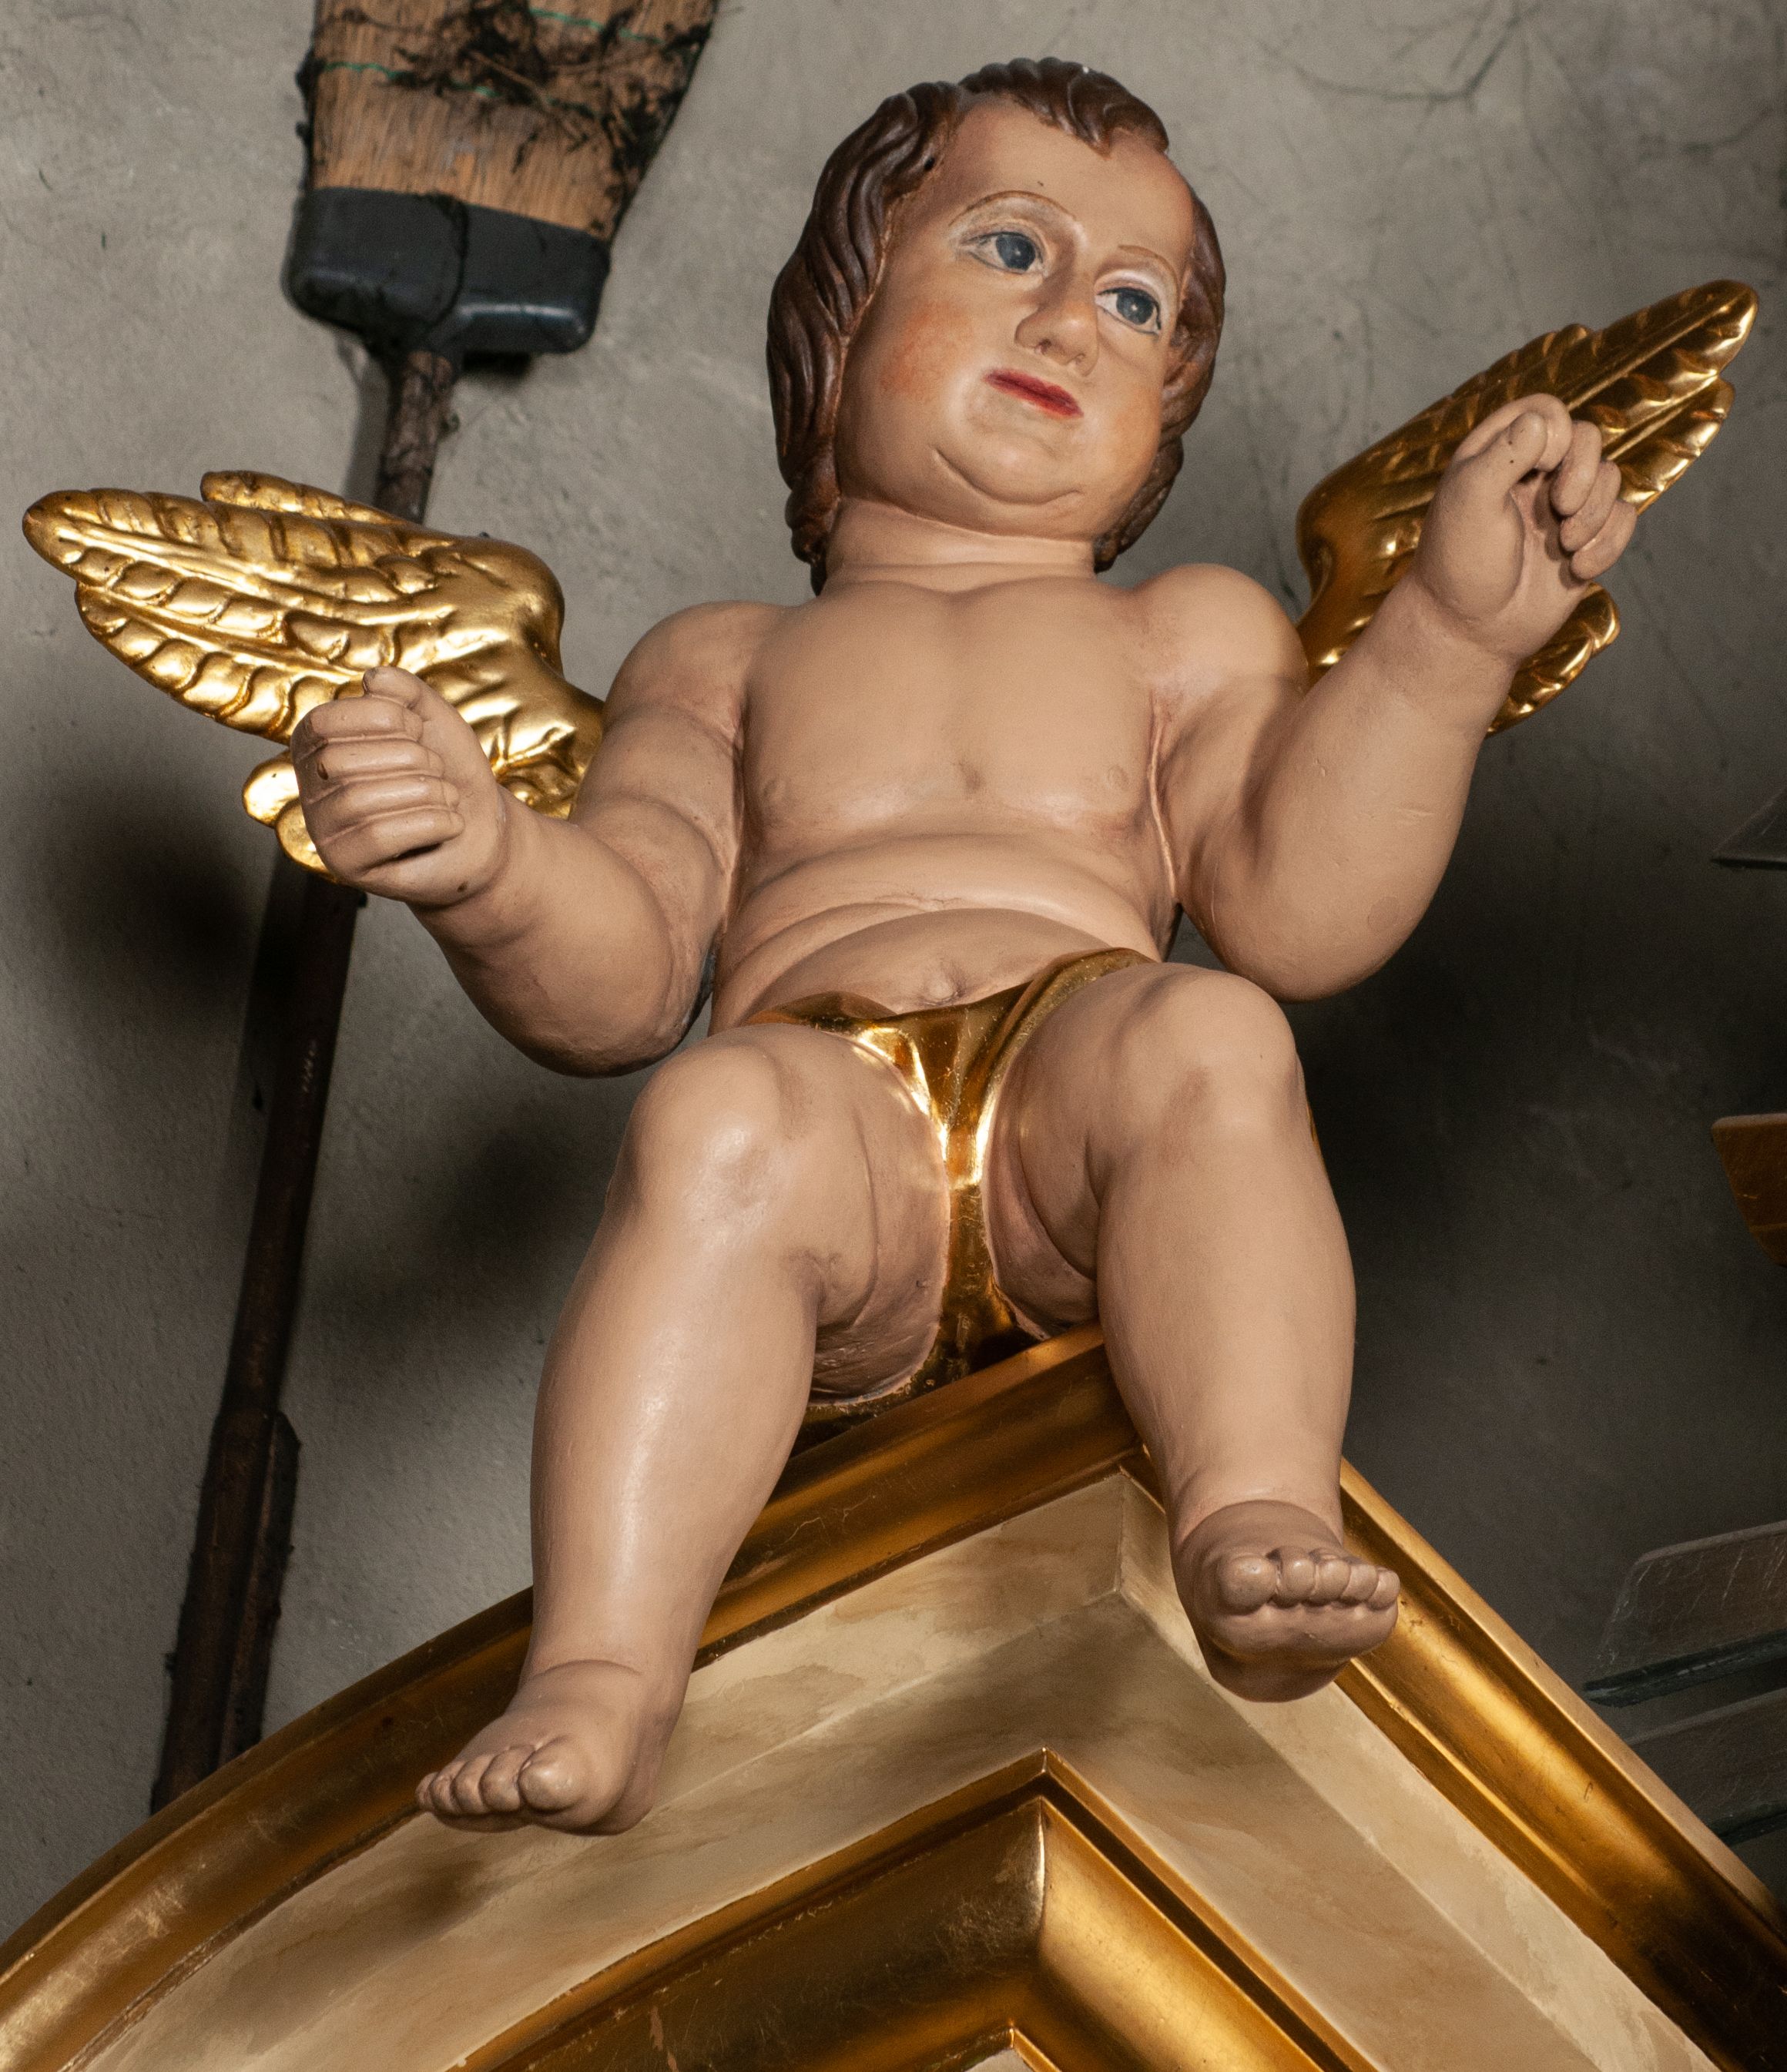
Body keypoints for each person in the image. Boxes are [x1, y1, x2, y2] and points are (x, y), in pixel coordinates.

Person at [289, 59, 1637, 1833]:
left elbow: (1295, 908)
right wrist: (488, 868)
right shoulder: (719, 663)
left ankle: (1247, 1502)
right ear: (839, 319)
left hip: (1073, 1129)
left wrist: (1443, 646)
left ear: (1169, 406)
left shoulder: (1180, 633)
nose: (1070, 319)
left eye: (1135, 303)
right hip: (827, 1148)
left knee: (1208, 1036)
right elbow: (624, 979)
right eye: (1009, 249)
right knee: (708, 1114)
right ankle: (604, 1672)